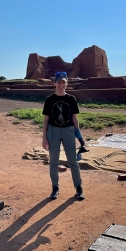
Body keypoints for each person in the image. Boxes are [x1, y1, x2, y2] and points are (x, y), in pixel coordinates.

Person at [42, 71, 85, 200]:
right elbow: (46, 120)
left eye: (63, 82)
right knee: (54, 162)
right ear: (54, 83)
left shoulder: (71, 99)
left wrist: (79, 135)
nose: (61, 84)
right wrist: (44, 138)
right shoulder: (49, 100)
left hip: (68, 131)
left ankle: (78, 188)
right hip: (53, 131)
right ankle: (55, 187)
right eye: (59, 82)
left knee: (73, 161)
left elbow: (75, 118)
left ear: (67, 83)